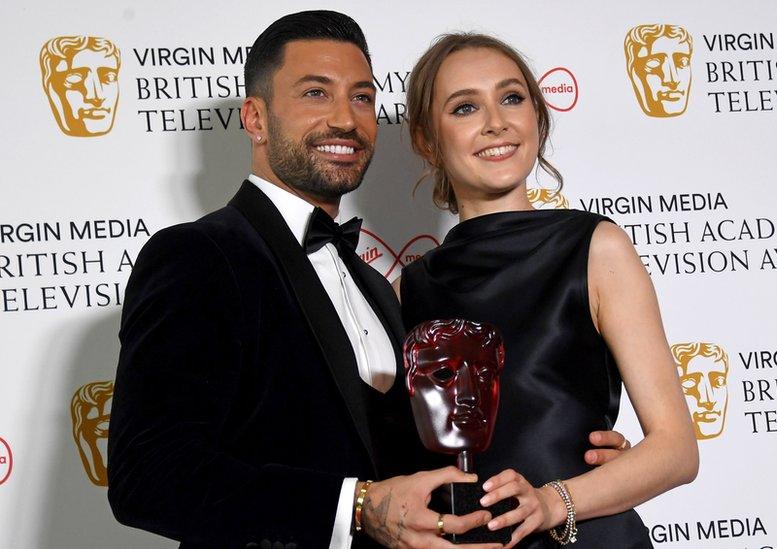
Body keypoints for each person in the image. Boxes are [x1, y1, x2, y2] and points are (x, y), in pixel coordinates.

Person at [108, 11, 626, 549]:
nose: (345, 119)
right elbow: (146, 476)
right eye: (315, 93)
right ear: (256, 119)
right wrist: (354, 507)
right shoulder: (198, 255)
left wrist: (587, 471)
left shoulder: (381, 289)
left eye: (362, 97)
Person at [399, 33, 700, 548]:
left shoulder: (594, 248)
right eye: (466, 106)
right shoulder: (415, 284)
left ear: (537, 115)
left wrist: (553, 501)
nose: (496, 121)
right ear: (428, 139)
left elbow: (677, 451)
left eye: (512, 98)